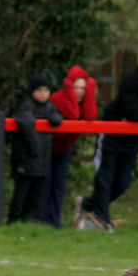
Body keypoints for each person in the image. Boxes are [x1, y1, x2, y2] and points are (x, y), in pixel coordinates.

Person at [77, 43, 138, 229]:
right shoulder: (131, 79)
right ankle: (103, 221)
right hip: (112, 133)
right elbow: (131, 112)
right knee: (105, 178)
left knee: (123, 183)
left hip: (134, 139)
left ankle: (86, 205)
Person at [38, 66, 97, 228]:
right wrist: (70, 91)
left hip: (64, 148)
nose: (79, 91)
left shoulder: (85, 100)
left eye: (83, 88)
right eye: (76, 87)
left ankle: (55, 221)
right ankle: (42, 221)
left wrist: (90, 91)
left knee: (59, 184)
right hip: (48, 146)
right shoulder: (58, 98)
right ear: (69, 86)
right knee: (46, 182)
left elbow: (91, 116)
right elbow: (72, 115)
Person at [8, 74, 64, 224]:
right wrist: (35, 149)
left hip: (43, 162)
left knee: (36, 196)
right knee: (21, 194)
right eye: (39, 90)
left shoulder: (50, 108)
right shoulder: (26, 106)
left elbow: (58, 118)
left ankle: (28, 223)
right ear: (32, 91)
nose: (43, 93)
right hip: (27, 160)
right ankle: (13, 222)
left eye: (46, 90)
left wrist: (55, 119)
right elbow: (25, 123)